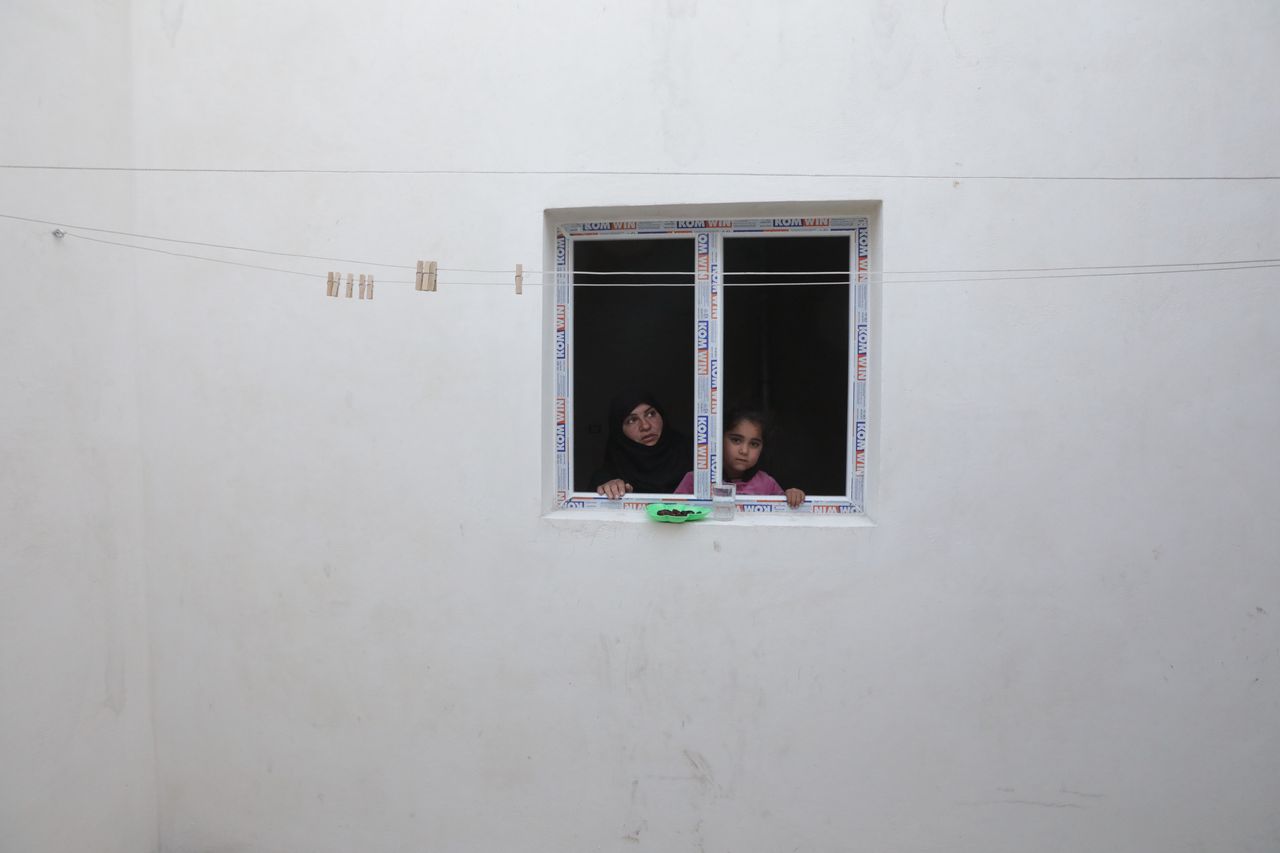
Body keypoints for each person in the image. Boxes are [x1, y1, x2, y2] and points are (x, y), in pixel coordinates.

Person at [674, 409, 806, 508]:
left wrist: (793, 495)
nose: (744, 451)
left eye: (754, 444)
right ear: (718, 440)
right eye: (736, 440)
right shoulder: (697, 480)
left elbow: (782, 514)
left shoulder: (766, 484)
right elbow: (674, 511)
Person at [590, 391, 692, 498]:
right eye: (632, 420)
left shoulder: (696, 455)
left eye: (650, 414)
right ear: (619, 431)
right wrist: (611, 492)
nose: (645, 426)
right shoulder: (608, 475)